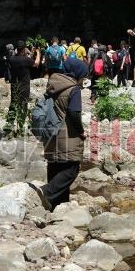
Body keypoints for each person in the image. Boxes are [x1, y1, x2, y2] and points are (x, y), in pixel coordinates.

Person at [34, 57, 88, 210]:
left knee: (55, 165)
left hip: (51, 132)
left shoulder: (52, 85)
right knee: (72, 168)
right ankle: (46, 193)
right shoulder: (74, 89)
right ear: (77, 73)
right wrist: (81, 131)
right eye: (83, 75)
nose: (84, 79)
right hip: (67, 134)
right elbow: (74, 112)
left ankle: (56, 206)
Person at [6, 41, 41, 134]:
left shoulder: (11, 59)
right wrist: (38, 53)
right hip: (24, 86)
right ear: (24, 49)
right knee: (23, 105)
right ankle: (21, 126)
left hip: (14, 85)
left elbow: (22, 59)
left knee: (13, 104)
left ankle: (9, 125)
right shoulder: (26, 60)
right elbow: (36, 64)